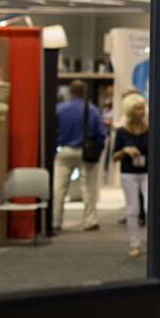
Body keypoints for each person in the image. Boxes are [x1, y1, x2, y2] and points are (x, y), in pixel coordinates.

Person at [53, 79, 105, 230]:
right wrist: (98, 149)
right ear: (84, 92)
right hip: (86, 152)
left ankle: (56, 221)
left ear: (70, 91)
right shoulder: (92, 110)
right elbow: (100, 134)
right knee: (88, 188)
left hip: (64, 150)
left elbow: (53, 131)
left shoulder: (59, 109)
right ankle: (90, 220)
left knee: (59, 189)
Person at [113, 92, 149, 258]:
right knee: (133, 209)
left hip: (147, 172)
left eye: (142, 108)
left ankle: (152, 242)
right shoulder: (122, 132)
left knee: (149, 207)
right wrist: (125, 151)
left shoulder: (149, 129)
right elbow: (114, 156)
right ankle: (134, 244)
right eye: (137, 109)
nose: (140, 112)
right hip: (129, 173)